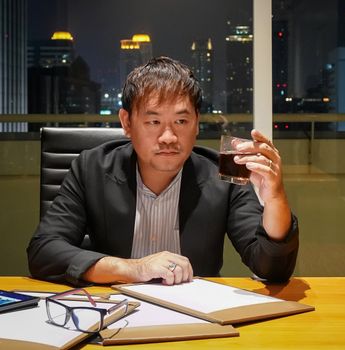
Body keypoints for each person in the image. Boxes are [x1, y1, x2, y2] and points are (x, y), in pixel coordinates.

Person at [27, 56, 299, 286]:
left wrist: (274, 198)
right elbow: (44, 250)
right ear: (127, 122)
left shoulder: (222, 176)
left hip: (196, 319)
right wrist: (134, 269)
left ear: (196, 124)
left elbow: (271, 269)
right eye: (153, 121)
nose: (168, 136)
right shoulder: (92, 168)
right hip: (115, 311)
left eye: (181, 120)